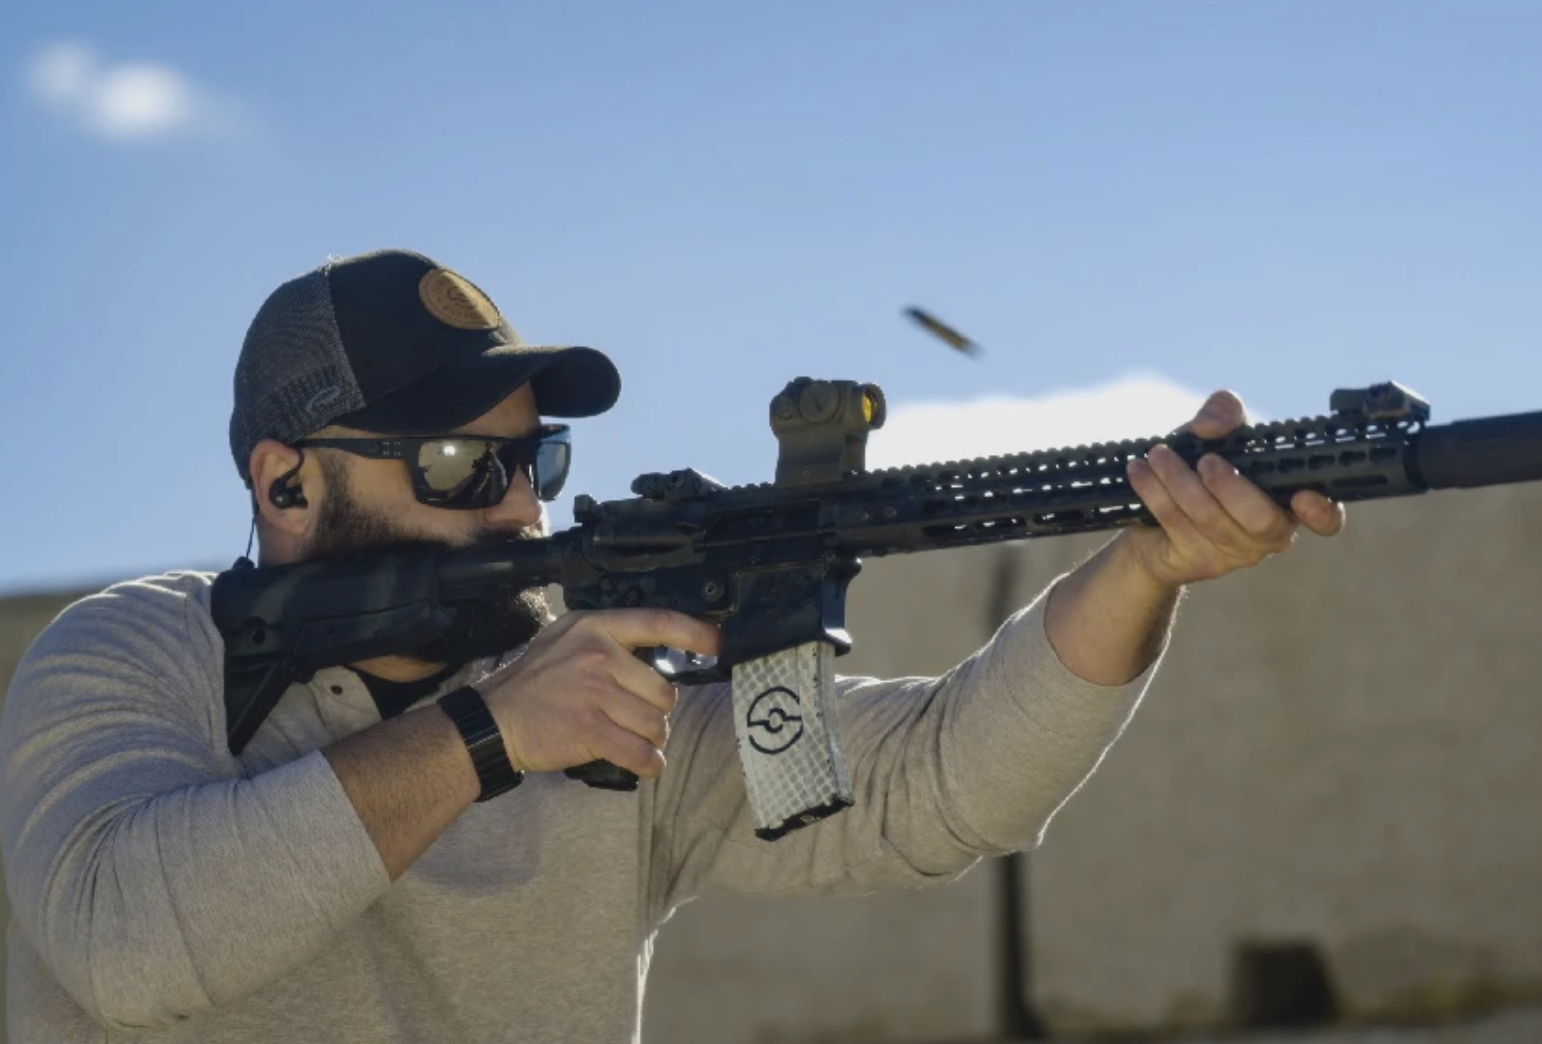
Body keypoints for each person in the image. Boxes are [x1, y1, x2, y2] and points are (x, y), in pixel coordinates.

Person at [0, 249, 1344, 1043]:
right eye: (462, 466)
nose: (519, 507)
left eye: (535, 461)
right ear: (286, 484)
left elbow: (934, 786)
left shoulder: (593, 696)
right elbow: (124, 940)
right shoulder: (137, 652)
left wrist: (1147, 566)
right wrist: (486, 737)